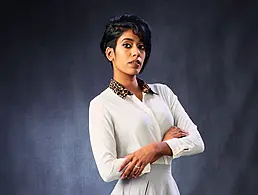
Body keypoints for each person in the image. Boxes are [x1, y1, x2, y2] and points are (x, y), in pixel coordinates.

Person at [89, 13, 205, 195]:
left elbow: (197, 142)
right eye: (127, 45)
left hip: (167, 188)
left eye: (141, 47)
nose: (136, 53)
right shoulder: (102, 104)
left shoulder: (162, 93)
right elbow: (107, 170)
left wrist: (156, 148)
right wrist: (159, 148)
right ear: (110, 53)